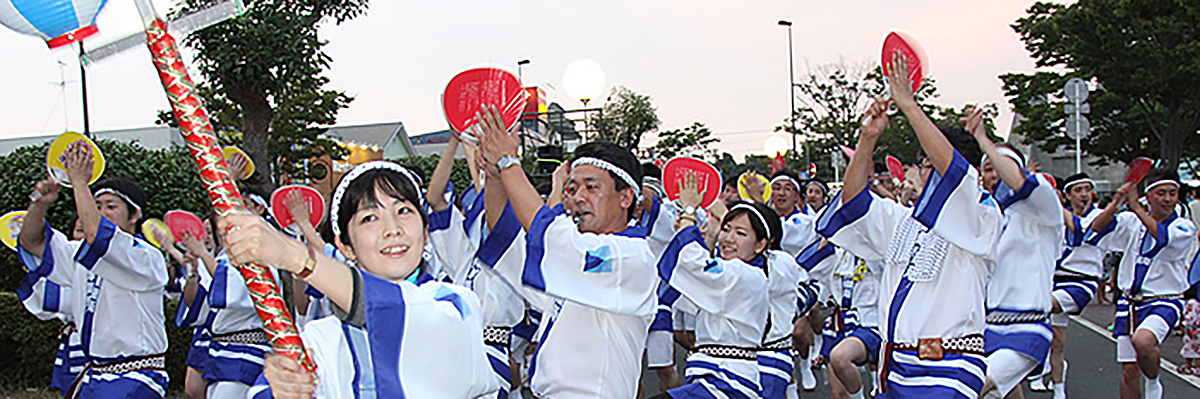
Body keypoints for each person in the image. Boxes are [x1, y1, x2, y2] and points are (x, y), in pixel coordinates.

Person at [227, 161, 500, 398]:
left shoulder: (456, 304)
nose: (392, 229)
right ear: (345, 246)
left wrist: (296, 257)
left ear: (425, 230)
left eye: (403, 211)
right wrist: (283, 389)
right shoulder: (319, 339)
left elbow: (402, 314)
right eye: (369, 218)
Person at [816, 55, 1002, 398]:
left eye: (933, 165)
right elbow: (854, 202)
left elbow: (955, 173)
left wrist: (909, 105)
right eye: (923, 164)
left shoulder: (981, 213)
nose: (926, 172)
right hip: (896, 364)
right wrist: (867, 139)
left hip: (950, 363)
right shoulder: (904, 218)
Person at [476, 105, 656, 398]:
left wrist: (509, 162)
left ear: (626, 198)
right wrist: (496, 177)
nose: (578, 197)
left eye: (591, 187)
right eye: (571, 189)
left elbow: (547, 233)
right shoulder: (568, 261)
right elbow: (508, 239)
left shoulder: (629, 256)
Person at [19, 142, 170, 397]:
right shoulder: (82, 253)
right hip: (96, 373)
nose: (100, 212)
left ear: (134, 216)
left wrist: (79, 182)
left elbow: (95, 233)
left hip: (137, 376)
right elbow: (32, 242)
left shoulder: (145, 256)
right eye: (97, 206)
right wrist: (39, 204)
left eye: (111, 206)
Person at [651, 171, 776, 398]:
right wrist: (706, 235)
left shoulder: (746, 275)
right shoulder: (736, 272)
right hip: (715, 377)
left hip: (727, 381)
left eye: (740, 233)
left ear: (760, 245)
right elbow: (692, 284)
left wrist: (689, 213)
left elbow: (692, 263)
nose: (728, 239)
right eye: (726, 230)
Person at [969, 113, 1063, 399]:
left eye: (999, 166)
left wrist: (984, 142)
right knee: (1002, 394)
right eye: (987, 169)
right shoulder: (986, 214)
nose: (994, 173)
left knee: (971, 389)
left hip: (1027, 327)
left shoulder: (1044, 206)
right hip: (985, 327)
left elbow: (1020, 183)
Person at [425, 130, 524, 398]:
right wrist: (456, 141)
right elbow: (434, 198)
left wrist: (492, 165)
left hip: (496, 344)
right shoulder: (461, 248)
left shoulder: (513, 249)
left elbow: (494, 208)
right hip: (458, 342)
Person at [1087, 167, 1196, 399]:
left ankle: (1154, 382)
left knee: (1143, 341)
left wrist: (1136, 206)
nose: (1168, 199)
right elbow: (1094, 231)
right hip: (1130, 303)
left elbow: (1162, 238)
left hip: (1165, 300)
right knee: (1128, 372)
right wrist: (1117, 202)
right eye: (1161, 193)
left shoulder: (1184, 227)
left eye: (1172, 193)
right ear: (1149, 196)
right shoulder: (1131, 222)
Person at [1045, 173, 1107, 397]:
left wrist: (1054, 200)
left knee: (1036, 306)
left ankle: (1033, 358)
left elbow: (1079, 230)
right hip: (1054, 281)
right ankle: (1059, 388)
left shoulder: (1100, 217)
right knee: (1057, 342)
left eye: (1087, 189)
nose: (1084, 194)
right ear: (1068, 195)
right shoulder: (1056, 218)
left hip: (1081, 283)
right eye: (1078, 190)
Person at [16, 216, 86, 396]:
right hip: (75, 342)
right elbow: (45, 306)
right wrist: (37, 268)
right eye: (79, 230)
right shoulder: (66, 266)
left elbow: (58, 302)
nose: (85, 235)